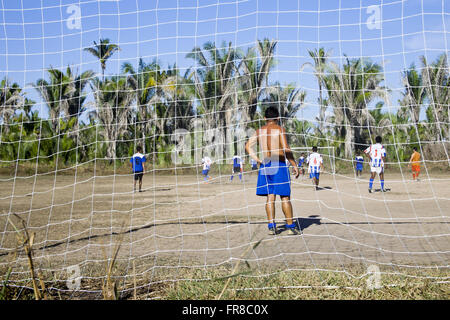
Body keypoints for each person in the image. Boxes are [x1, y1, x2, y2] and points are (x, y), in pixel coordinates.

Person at [245, 106, 300, 235]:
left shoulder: (259, 131)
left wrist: (258, 160)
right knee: (285, 197)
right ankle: (291, 226)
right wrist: (294, 165)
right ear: (278, 118)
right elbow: (286, 149)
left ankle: (271, 226)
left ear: (265, 118)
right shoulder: (279, 129)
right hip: (278, 164)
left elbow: (248, 146)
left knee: (270, 197)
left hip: (266, 164)